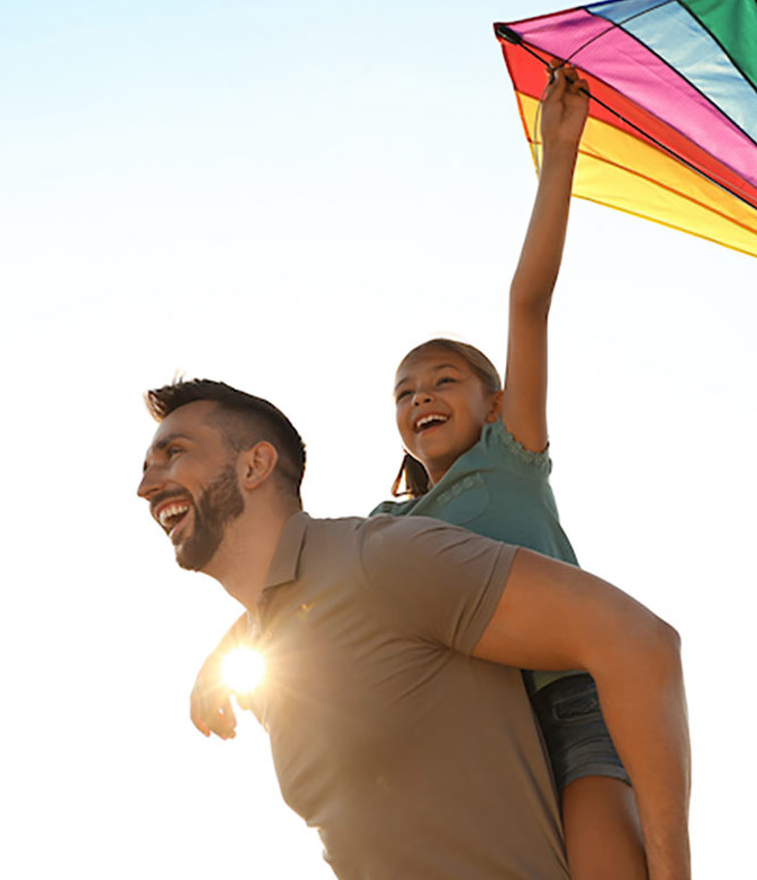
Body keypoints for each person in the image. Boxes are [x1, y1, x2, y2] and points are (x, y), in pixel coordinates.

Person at [188, 65, 647, 876]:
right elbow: (292, 586)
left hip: (568, 697)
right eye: (405, 390)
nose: (422, 396)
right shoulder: (391, 527)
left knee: (608, 857)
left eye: (444, 381)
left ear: (494, 405)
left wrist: (561, 154)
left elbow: (528, 300)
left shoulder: (513, 454)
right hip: (482, 731)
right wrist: (217, 668)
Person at [136, 378, 690, 880]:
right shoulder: (269, 660)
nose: (146, 486)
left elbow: (641, 644)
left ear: (255, 466)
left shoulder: (381, 560)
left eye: (173, 454)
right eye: (146, 465)